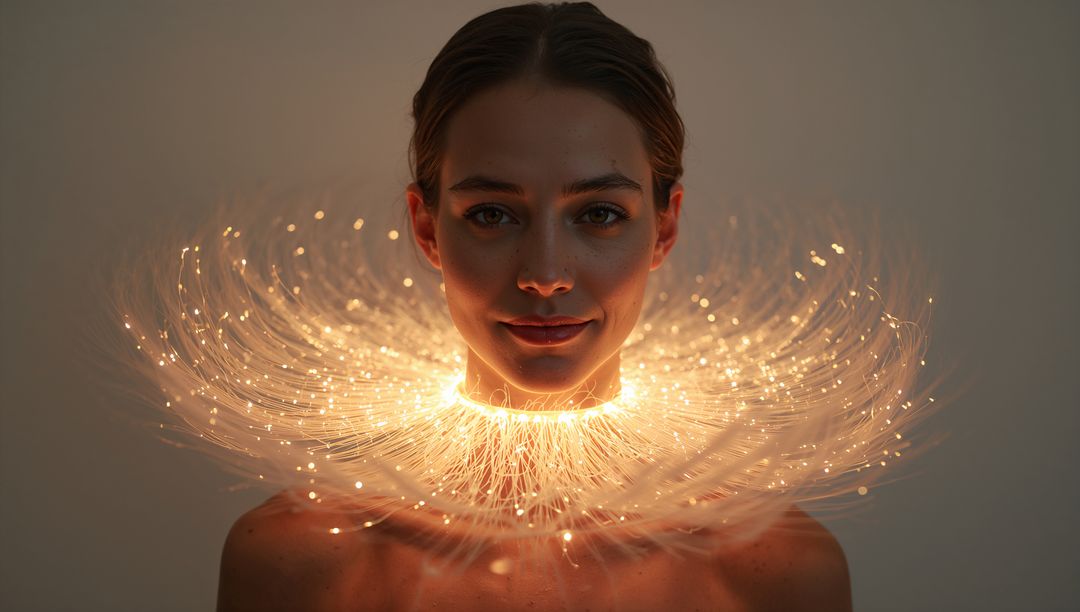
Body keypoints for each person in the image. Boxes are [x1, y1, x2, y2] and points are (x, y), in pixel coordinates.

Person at [215, 3, 852, 610]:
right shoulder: (297, 561)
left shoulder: (779, 571)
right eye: (492, 215)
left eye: (599, 215)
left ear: (664, 228)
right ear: (427, 228)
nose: (544, 275)